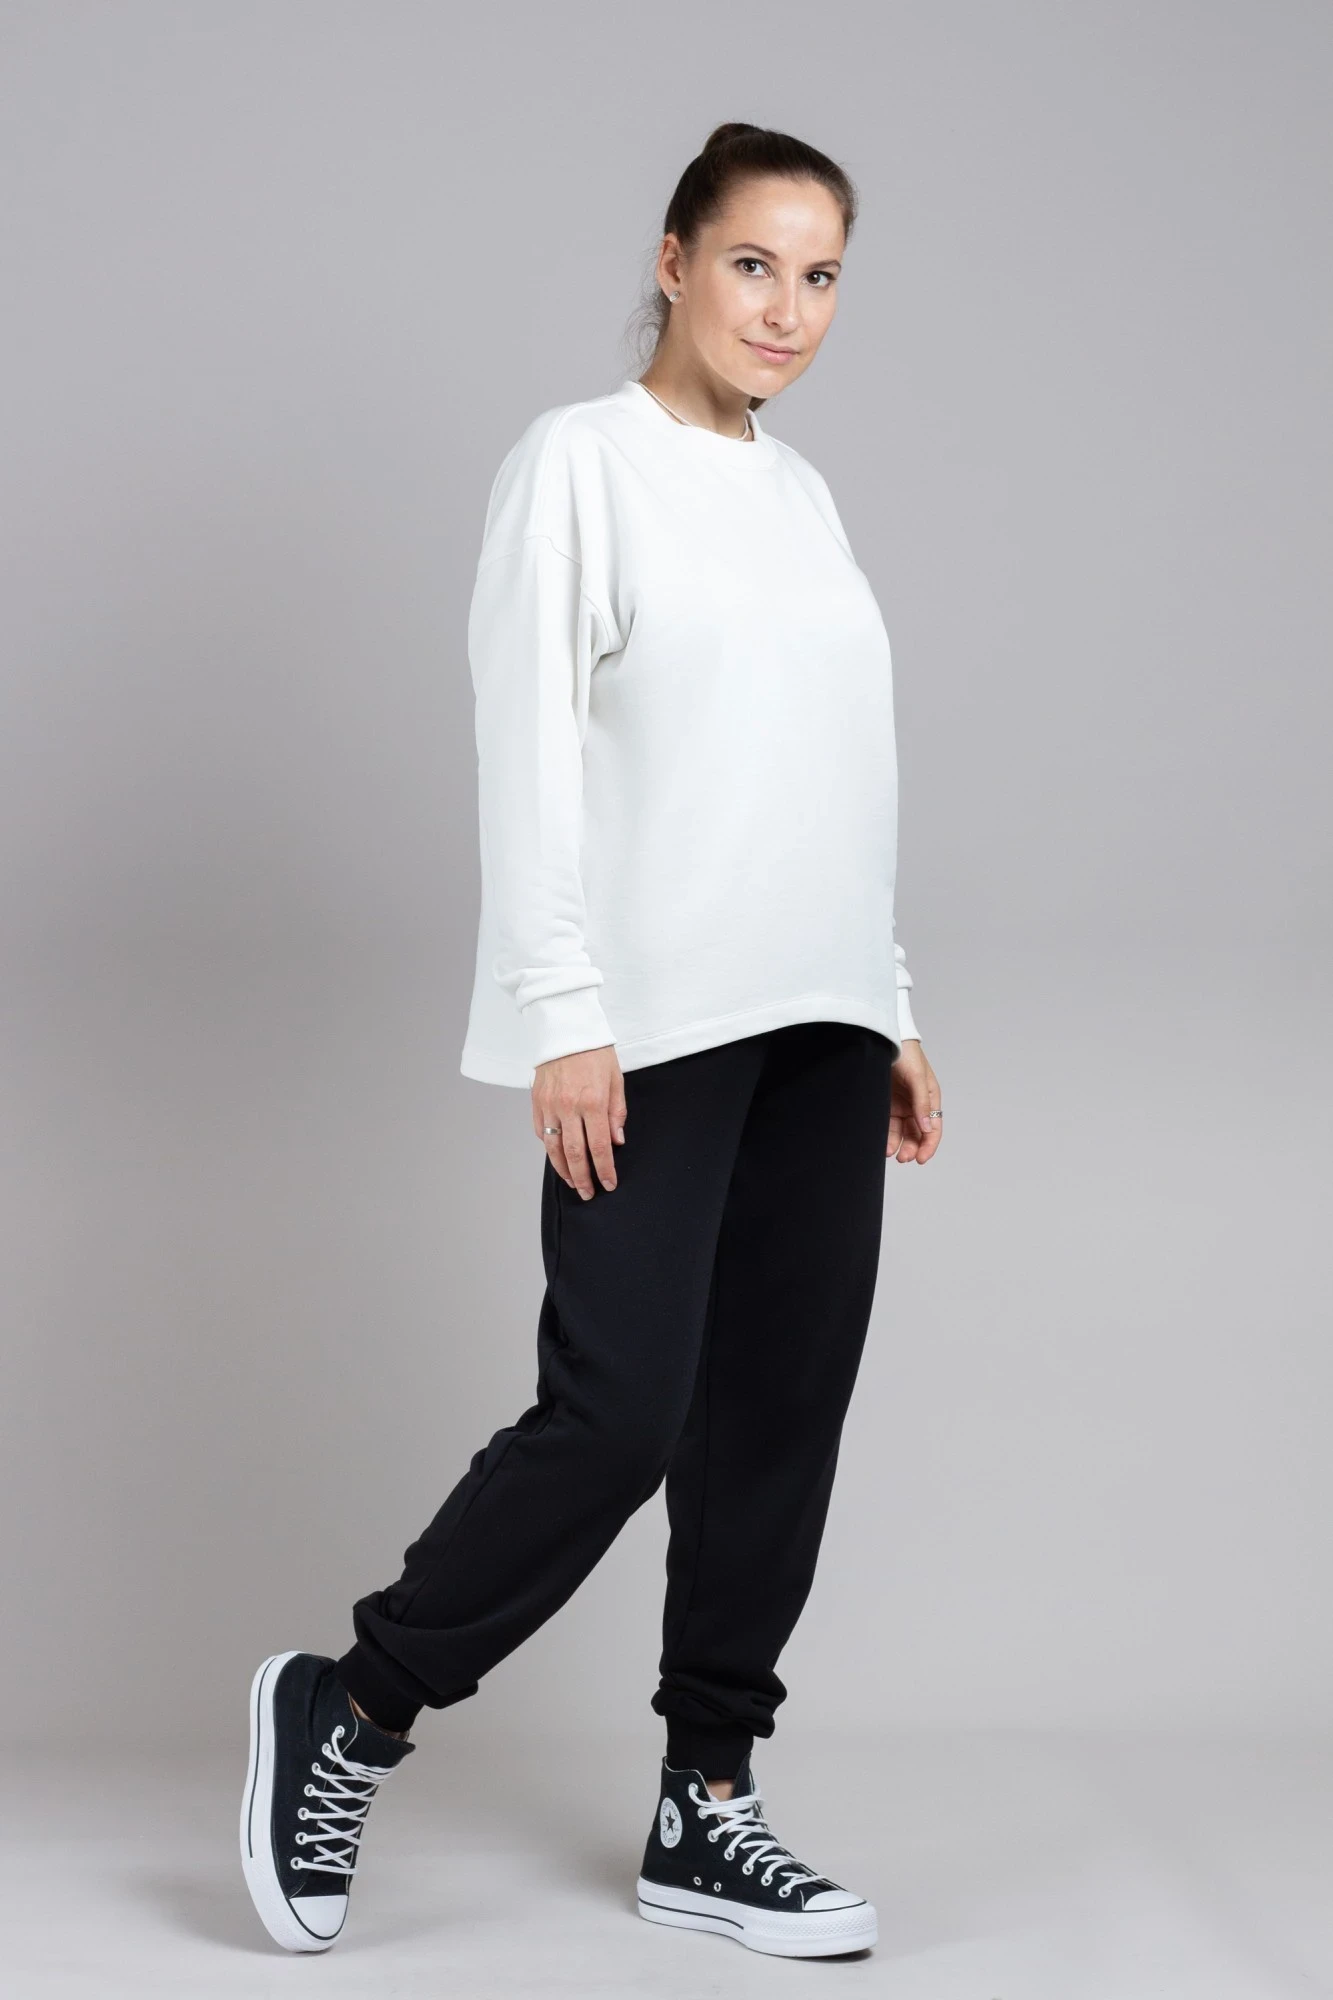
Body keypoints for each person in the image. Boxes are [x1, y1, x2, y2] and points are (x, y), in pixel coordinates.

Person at [239, 120, 943, 1962]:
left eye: (822, 276)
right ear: (673, 260)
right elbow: (530, 744)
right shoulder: (579, 464)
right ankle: (355, 1703)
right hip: (654, 1023)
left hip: (819, 1022)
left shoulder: (803, 497)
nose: (787, 309)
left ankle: (707, 1799)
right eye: (753, 264)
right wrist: (562, 1013)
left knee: (779, 1413)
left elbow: (835, 772)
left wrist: (888, 1001)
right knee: (619, 1410)